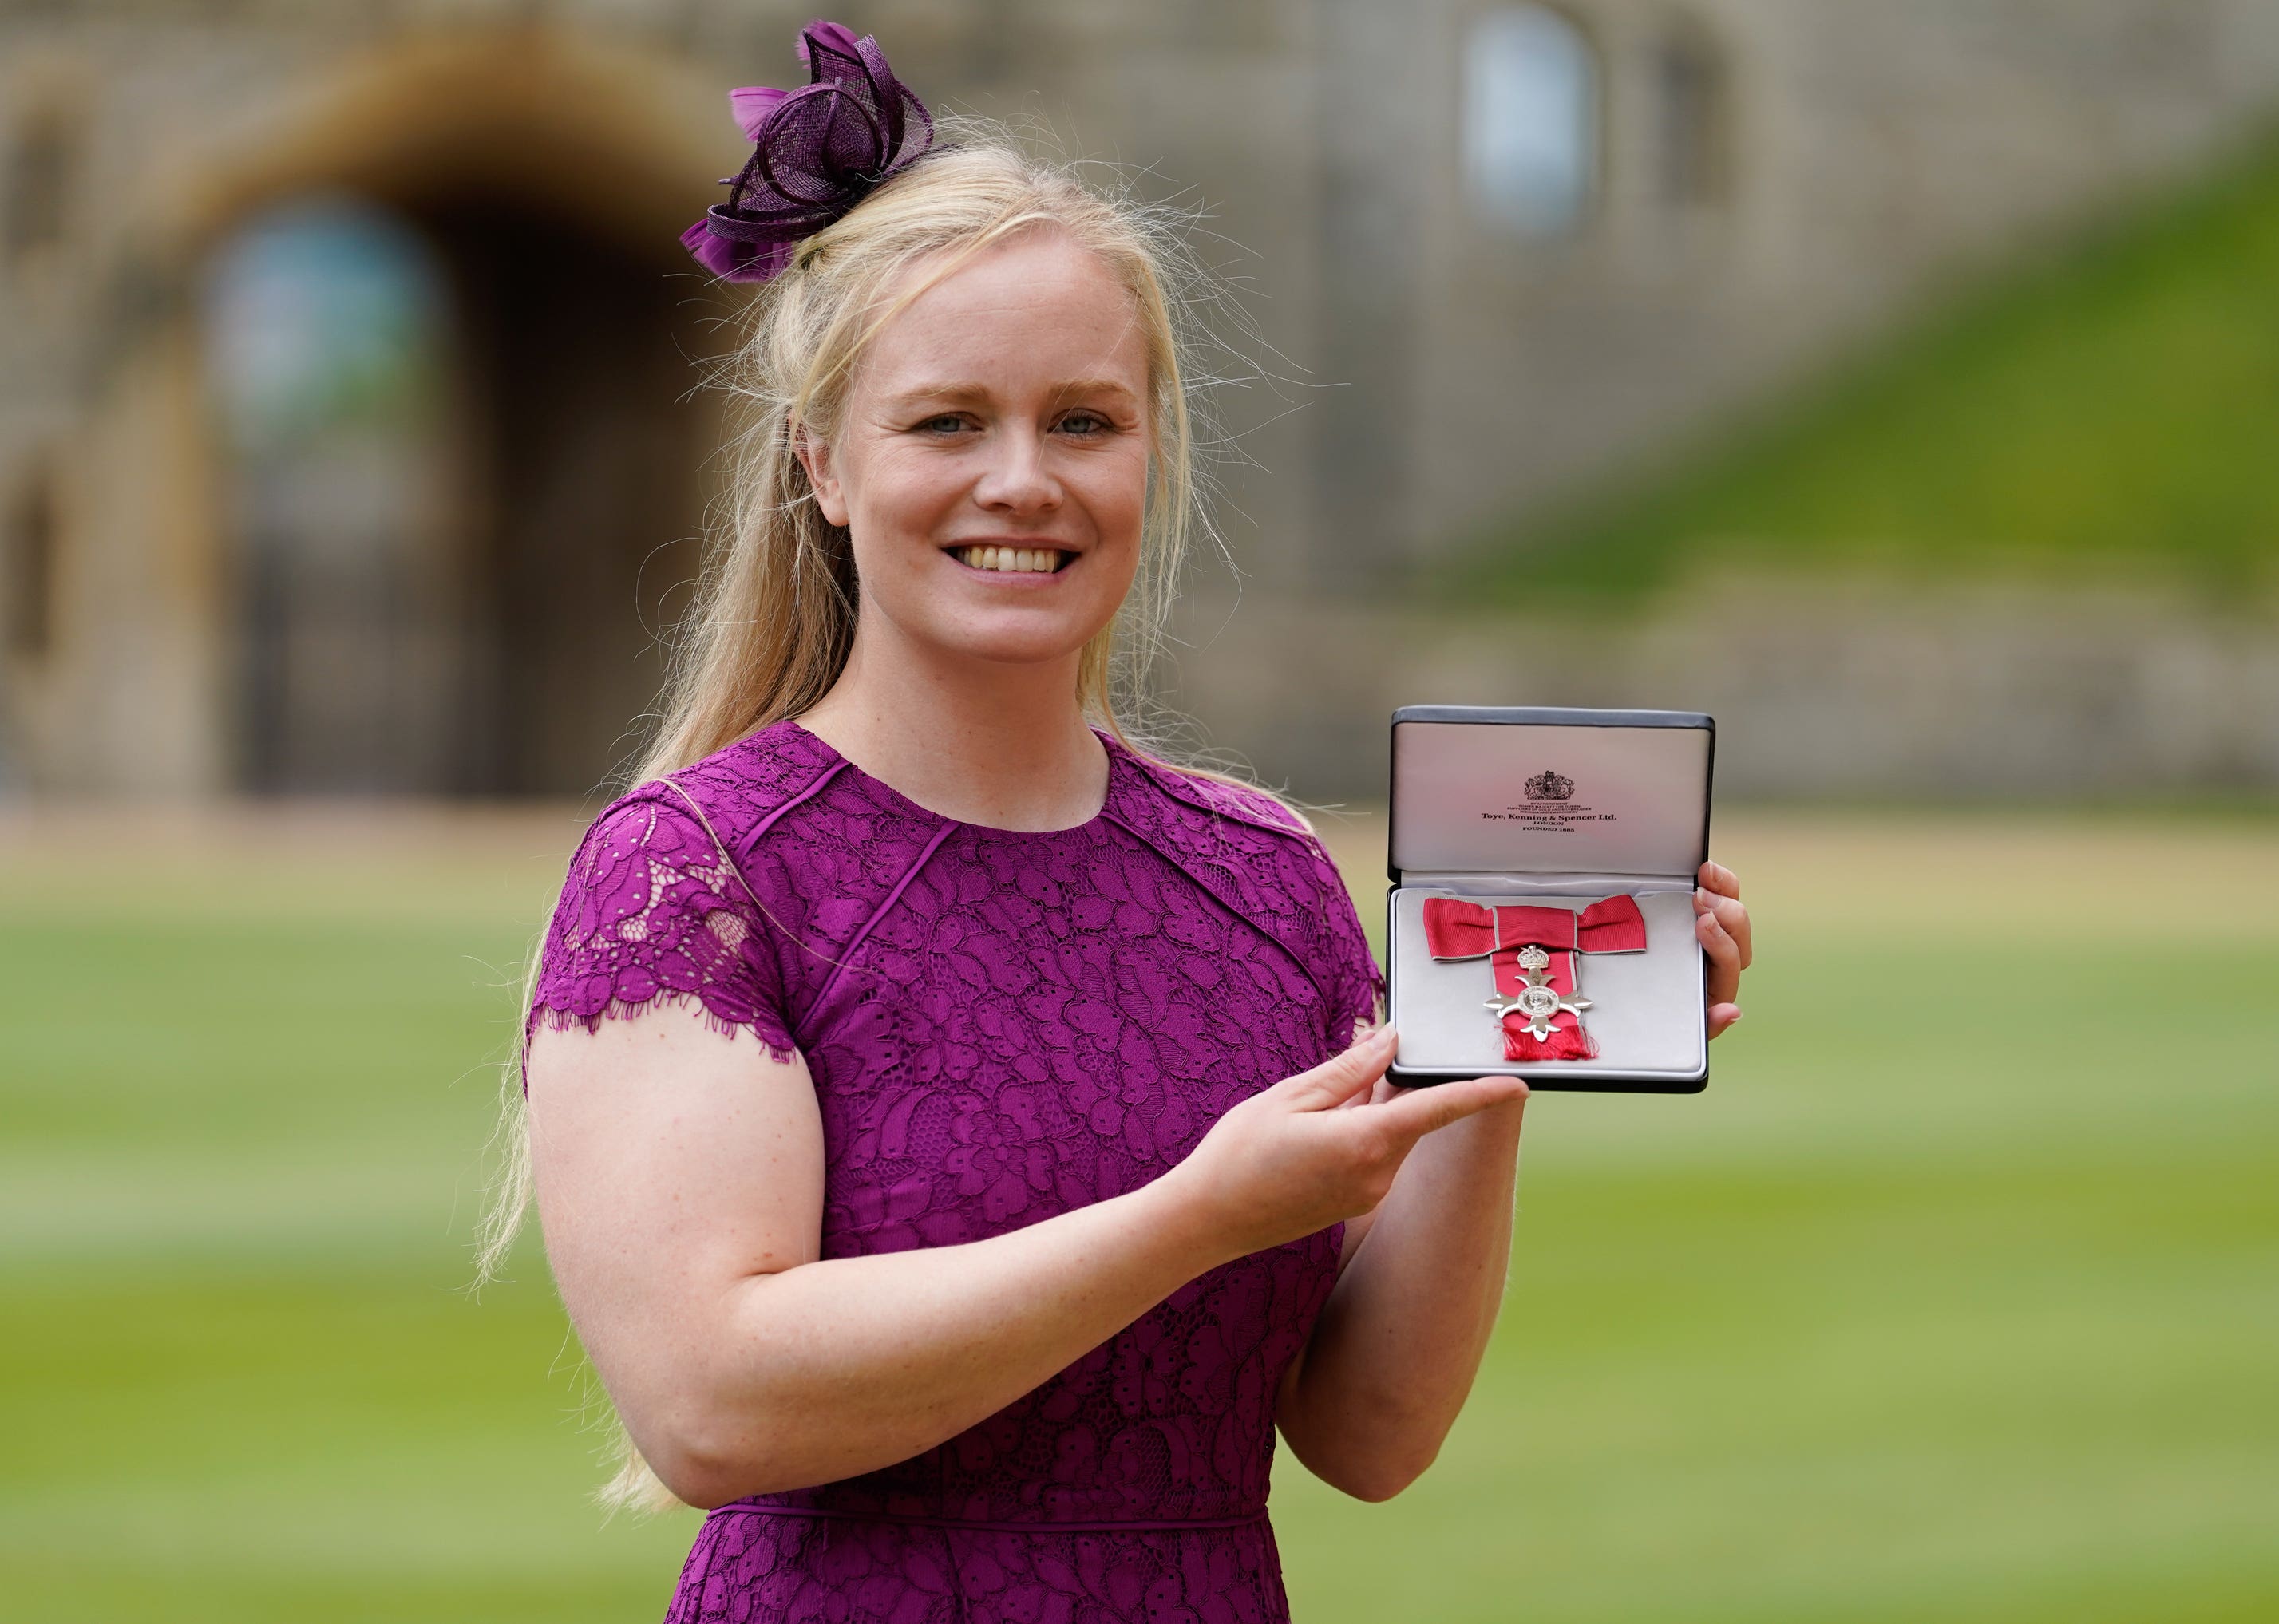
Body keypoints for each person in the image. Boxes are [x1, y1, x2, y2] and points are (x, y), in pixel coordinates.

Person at [478, 22, 1754, 1622]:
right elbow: (713, 1407)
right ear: (821, 463)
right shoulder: (697, 873)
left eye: (1084, 422)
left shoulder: (1262, 878)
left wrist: (1496, 1040)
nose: (1025, 480)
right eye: (949, 423)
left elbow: (1365, 1434)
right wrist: (1191, 1218)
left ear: (1151, 452)